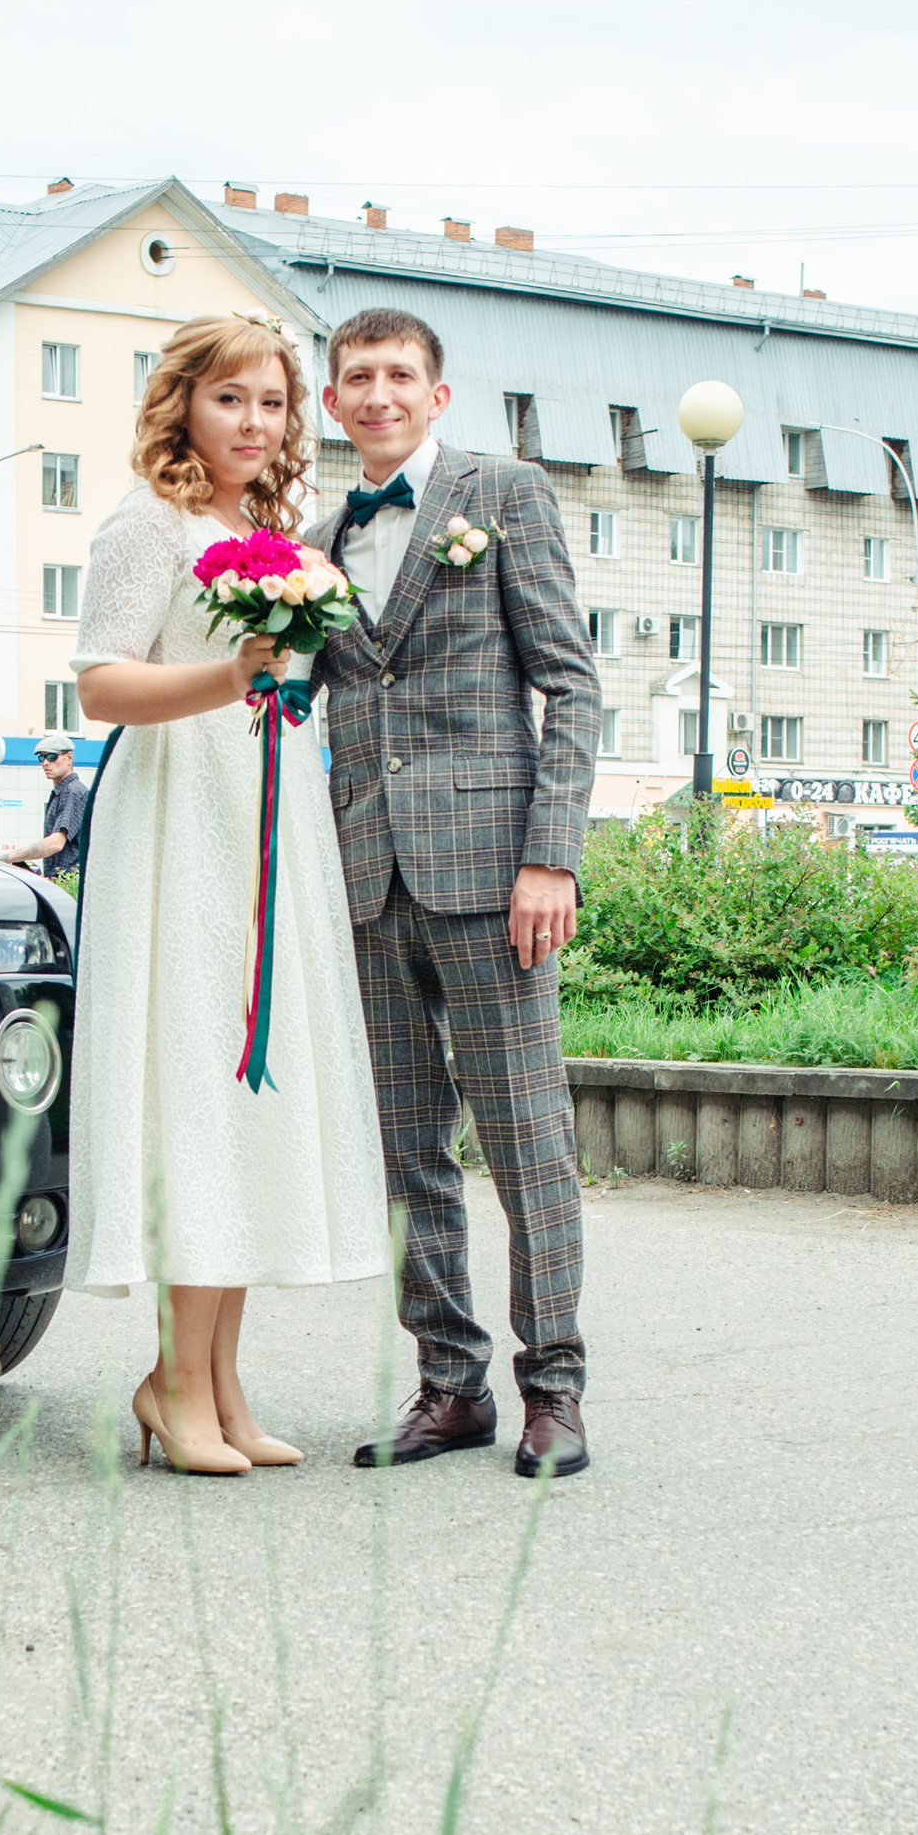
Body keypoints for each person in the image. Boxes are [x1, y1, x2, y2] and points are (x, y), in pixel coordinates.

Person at [65, 312, 388, 1475]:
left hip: (269, 813)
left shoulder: (268, 527)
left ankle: (215, 1383)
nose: (255, 423)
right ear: (182, 407)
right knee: (195, 1088)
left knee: (249, 1092)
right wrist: (227, 672)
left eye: (270, 403)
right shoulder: (145, 522)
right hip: (180, 820)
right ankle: (173, 1381)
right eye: (230, 400)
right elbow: (101, 683)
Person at [309, 309, 602, 1479]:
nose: (377, 394)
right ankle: (449, 1383)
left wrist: (552, 854)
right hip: (368, 877)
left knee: (528, 1138)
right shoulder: (321, 538)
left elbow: (570, 685)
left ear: (436, 394)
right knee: (405, 1150)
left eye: (398, 375)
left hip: (494, 873)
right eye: (356, 379)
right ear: (333, 404)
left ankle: (556, 1389)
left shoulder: (503, 491)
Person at [0, 732, 85, 884]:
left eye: (52, 756)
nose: (45, 762)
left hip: (71, 886)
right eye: (41, 757)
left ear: (69, 757)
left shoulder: (73, 792)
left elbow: (55, 843)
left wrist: (9, 857)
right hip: (65, 884)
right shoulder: (61, 793)